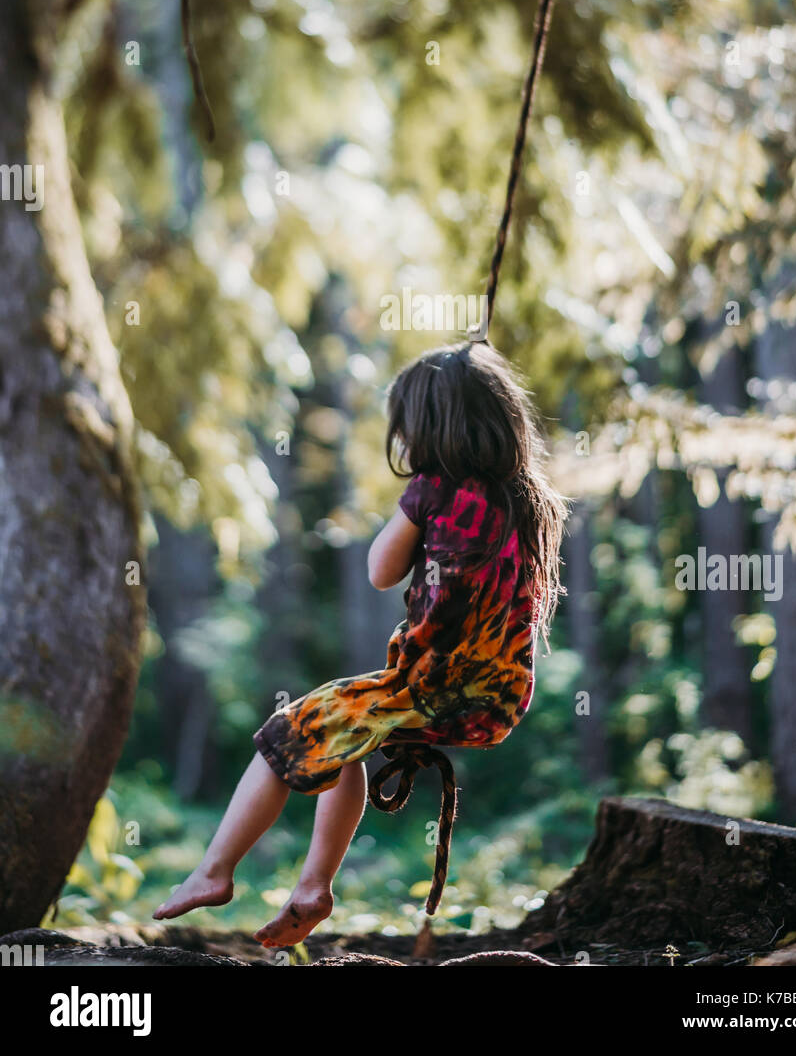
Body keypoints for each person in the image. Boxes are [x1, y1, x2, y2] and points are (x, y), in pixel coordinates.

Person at [153, 341, 566, 947]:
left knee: (287, 731)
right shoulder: (530, 500)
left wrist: (412, 509)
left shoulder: (433, 491)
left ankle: (215, 871)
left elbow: (379, 568)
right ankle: (312, 887)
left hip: (431, 687)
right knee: (344, 734)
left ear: (424, 429)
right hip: (497, 700)